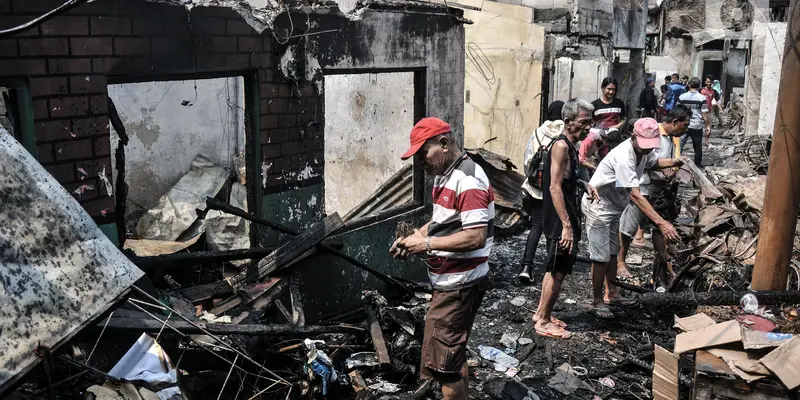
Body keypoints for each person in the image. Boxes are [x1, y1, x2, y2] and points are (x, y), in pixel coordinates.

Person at [390, 117, 493, 400]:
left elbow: (476, 237)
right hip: (451, 283)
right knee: (452, 358)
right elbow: (441, 223)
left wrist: (426, 243)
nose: (421, 161)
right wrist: (413, 239)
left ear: (444, 143)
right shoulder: (445, 176)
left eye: (424, 152)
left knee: (444, 369)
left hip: (459, 286)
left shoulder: (468, 180)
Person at [581, 118, 683, 319]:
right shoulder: (624, 156)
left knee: (612, 253)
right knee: (600, 258)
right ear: (633, 137)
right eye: (644, 145)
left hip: (613, 207)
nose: (647, 150)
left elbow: (654, 162)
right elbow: (635, 195)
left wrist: (674, 161)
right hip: (599, 206)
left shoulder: (642, 152)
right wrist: (661, 223)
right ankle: (597, 300)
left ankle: (612, 293)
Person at [533, 98, 599, 339]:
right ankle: (543, 321)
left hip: (564, 216)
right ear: (568, 122)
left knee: (553, 267)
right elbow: (554, 187)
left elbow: (567, 177)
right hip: (560, 219)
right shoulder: (560, 146)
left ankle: (542, 313)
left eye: (590, 122)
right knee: (558, 270)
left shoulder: (571, 145)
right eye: (583, 122)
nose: (588, 127)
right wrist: (567, 226)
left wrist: (584, 183)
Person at [617, 105, 691, 286]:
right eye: (685, 125)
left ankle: (665, 263)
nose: (686, 130)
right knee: (629, 226)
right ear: (675, 122)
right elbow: (650, 163)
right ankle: (619, 263)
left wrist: (674, 163)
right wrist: (668, 169)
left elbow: (655, 162)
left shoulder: (671, 138)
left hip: (660, 188)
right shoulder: (651, 134)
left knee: (661, 223)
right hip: (643, 187)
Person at [519, 101, 566, 283]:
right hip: (555, 190)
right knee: (553, 230)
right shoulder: (562, 136)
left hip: (535, 189)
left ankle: (526, 267)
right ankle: (550, 271)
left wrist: (532, 179)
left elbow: (527, 159)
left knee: (536, 227)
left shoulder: (538, 132)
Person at [678, 77, 710, 166]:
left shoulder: (682, 97)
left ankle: (677, 161)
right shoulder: (702, 98)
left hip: (683, 125)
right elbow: (704, 113)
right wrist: (707, 125)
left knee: (679, 144)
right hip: (696, 125)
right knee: (697, 146)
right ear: (699, 86)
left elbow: (677, 111)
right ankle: (697, 164)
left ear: (688, 85)